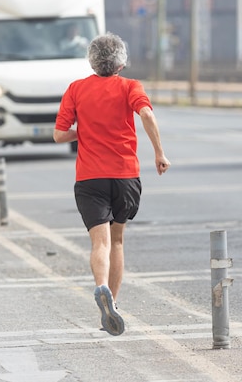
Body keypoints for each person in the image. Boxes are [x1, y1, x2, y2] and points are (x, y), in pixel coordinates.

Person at [53, 32, 170, 336]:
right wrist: (158, 152)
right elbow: (146, 114)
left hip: (90, 177)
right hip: (124, 176)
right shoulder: (131, 87)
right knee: (117, 241)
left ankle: (100, 286)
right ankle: (113, 304)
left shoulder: (76, 89)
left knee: (99, 243)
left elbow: (59, 134)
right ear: (121, 62)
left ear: (92, 60)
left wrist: (85, 132)